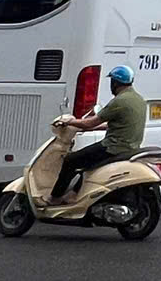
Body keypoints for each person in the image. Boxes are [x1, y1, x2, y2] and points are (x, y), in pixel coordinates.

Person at [52, 64, 146, 203]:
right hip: (131, 147)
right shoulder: (139, 99)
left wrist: (69, 122)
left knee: (70, 161)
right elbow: (117, 124)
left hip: (113, 148)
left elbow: (89, 122)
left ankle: (55, 198)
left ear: (115, 82)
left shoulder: (119, 101)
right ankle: (74, 195)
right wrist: (90, 128)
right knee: (89, 166)